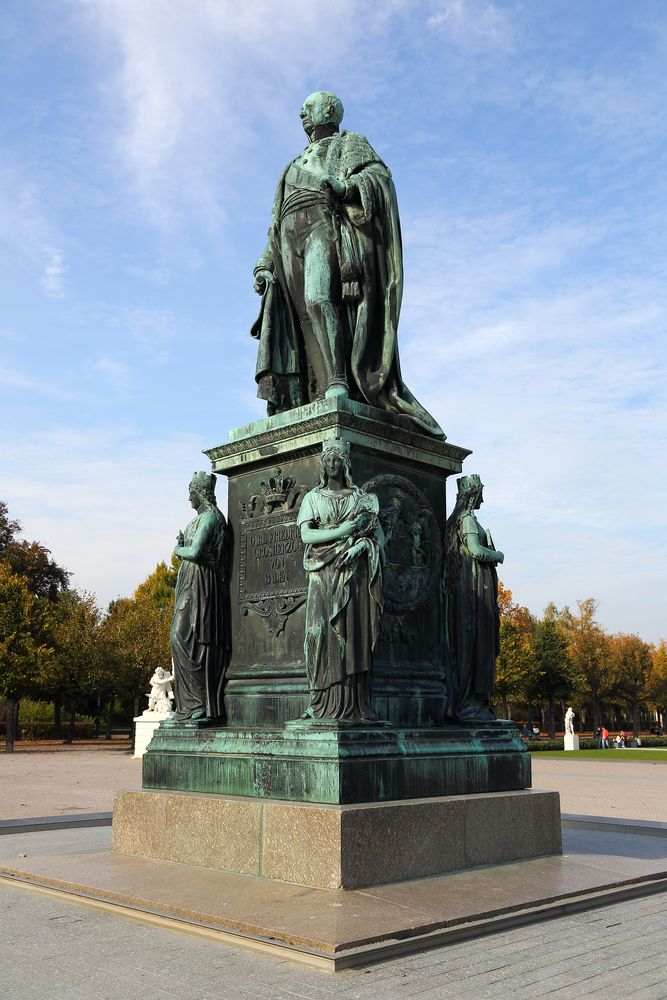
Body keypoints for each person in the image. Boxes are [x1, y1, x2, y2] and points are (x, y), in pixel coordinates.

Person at [251, 91, 443, 438]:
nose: (301, 114)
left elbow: (379, 179)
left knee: (318, 299)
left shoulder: (350, 144)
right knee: (301, 317)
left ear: (328, 110)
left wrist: (346, 186)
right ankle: (312, 389)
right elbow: (274, 224)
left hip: (325, 226)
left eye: (307, 108)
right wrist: (265, 264)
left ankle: (338, 381)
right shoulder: (290, 166)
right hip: (288, 241)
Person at [296, 438, 385, 721]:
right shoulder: (313, 498)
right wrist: (342, 531)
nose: (332, 464)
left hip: (352, 574)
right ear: (323, 464)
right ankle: (320, 701)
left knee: (351, 636)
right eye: (328, 460)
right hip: (322, 573)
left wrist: (360, 546)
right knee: (318, 635)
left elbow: (378, 539)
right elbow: (307, 536)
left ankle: (352, 703)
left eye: (337, 460)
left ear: (345, 463)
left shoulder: (361, 498)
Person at [168, 472, 229, 723]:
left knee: (184, 637)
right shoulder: (200, 520)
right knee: (185, 638)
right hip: (191, 580)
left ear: (200, 492)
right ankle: (190, 705)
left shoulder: (210, 519)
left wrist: (177, 549)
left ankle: (199, 704)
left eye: (191, 491)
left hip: (202, 582)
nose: (188, 497)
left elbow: (194, 551)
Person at [443, 474, 504, 721]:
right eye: (480, 492)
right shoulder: (466, 519)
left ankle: (473, 700)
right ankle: (471, 702)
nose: (482, 497)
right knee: (476, 643)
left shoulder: (463, 519)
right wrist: (497, 553)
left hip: (474, 585)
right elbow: (476, 551)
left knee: (475, 643)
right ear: (474, 494)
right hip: (475, 587)